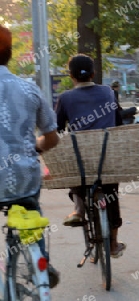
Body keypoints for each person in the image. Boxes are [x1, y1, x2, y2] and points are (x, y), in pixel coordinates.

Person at [0, 25, 60, 287]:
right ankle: (40, 261)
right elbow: (52, 137)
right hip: (23, 177)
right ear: (10, 54)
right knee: (30, 211)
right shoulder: (29, 89)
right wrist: (35, 146)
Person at [55, 54, 126, 258]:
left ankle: (78, 209)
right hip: (107, 155)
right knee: (111, 191)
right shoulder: (109, 92)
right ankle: (112, 244)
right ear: (94, 74)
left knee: (76, 171)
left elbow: (58, 129)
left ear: (71, 76)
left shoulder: (65, 98)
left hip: (82, 159)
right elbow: (118, 122)